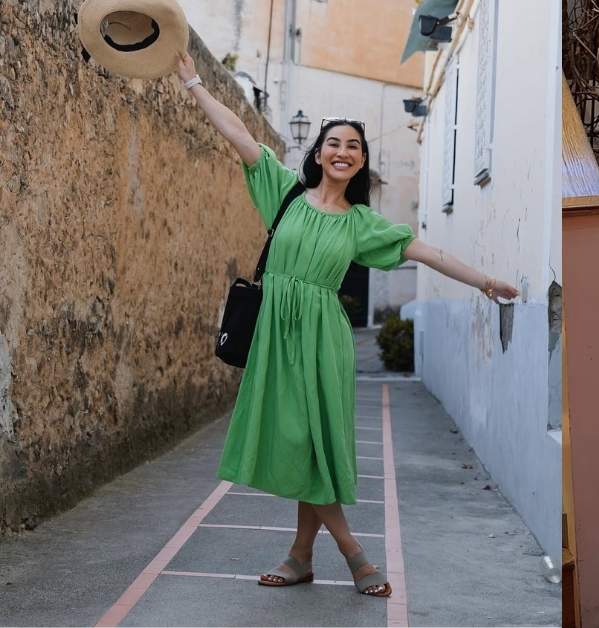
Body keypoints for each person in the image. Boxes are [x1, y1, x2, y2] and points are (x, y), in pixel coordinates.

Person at [175, 52, 519, 597]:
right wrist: (194, 82)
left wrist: (485, 281)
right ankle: (314, 556)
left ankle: (338, 556)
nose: (343, 151)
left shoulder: (361, 223)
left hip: (324, 341)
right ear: (318, 153)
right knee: (300, 444)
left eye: (354, 146)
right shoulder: (284, 192)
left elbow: (426, 252)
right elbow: (238, 133)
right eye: (334, 143)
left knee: (315, 445)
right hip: (277, 336)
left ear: (361, 163)